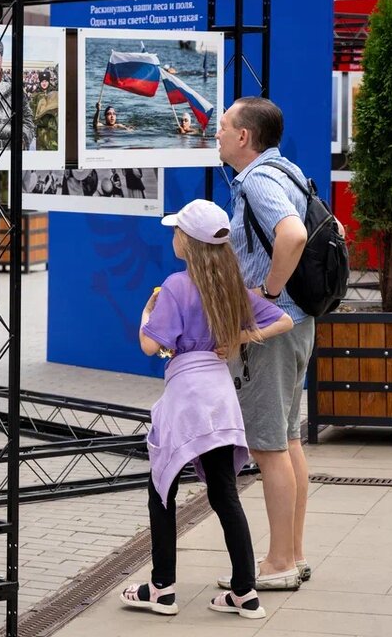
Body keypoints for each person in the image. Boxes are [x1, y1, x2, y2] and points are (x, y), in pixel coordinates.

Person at [121, 199, 293, 620]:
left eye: (177, 230)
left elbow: (150, 344)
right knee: (224, 493)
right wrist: (239, 337)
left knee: (162, 489)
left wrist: (146, 314)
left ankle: (161, 589)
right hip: (220, 398)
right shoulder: (233, 284)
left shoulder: (176, 286)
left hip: (186, 399)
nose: (174, 235)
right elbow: (285, 320)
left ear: (189, 242)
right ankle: (245, 592)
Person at [214, 96, 315, 591]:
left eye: (223, 127)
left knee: (269, 446)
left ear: (243, 137)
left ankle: (277, 564)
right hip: (299, 325)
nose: (216, 134)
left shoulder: (256, 181)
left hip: (273, 330)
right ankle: (292, 554)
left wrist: (268, 294)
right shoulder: (288, 171)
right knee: (288, 438)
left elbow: (292, 235)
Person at [30, 68, 58, 151]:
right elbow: (32, 111)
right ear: (39, 82)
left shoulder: (54, 92)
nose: (44, 83)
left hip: (53, 127)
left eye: (46, 81)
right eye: (42, 81)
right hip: (40, 129)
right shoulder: (35, 95)